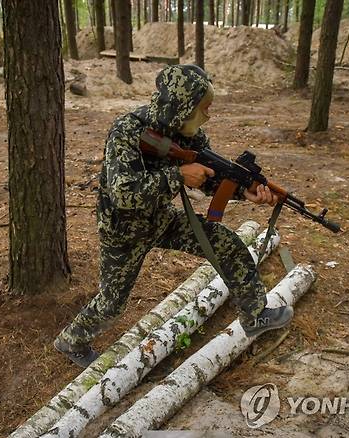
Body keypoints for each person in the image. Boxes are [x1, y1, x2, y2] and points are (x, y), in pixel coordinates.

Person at [54, 65, 294, 368]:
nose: (207, 116)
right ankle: (72, 340)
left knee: (226, 243)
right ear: (183, 107)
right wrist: (176, 175)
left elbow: (207, 179)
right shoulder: (127, 131)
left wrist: (241, 191)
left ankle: (255, 315)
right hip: (123, 232)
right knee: (112, 305)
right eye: (203, 110)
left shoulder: (190, 135)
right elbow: (123, 193)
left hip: (161, 219)